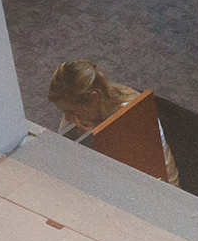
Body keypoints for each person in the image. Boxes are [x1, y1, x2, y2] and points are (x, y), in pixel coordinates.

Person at [48, 60, 180, 187]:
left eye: (71, 111)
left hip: (158, 182)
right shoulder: (77, 115)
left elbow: (143, 167)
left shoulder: (133, 114)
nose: (67, 118)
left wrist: (91, 143)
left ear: (94, 98)